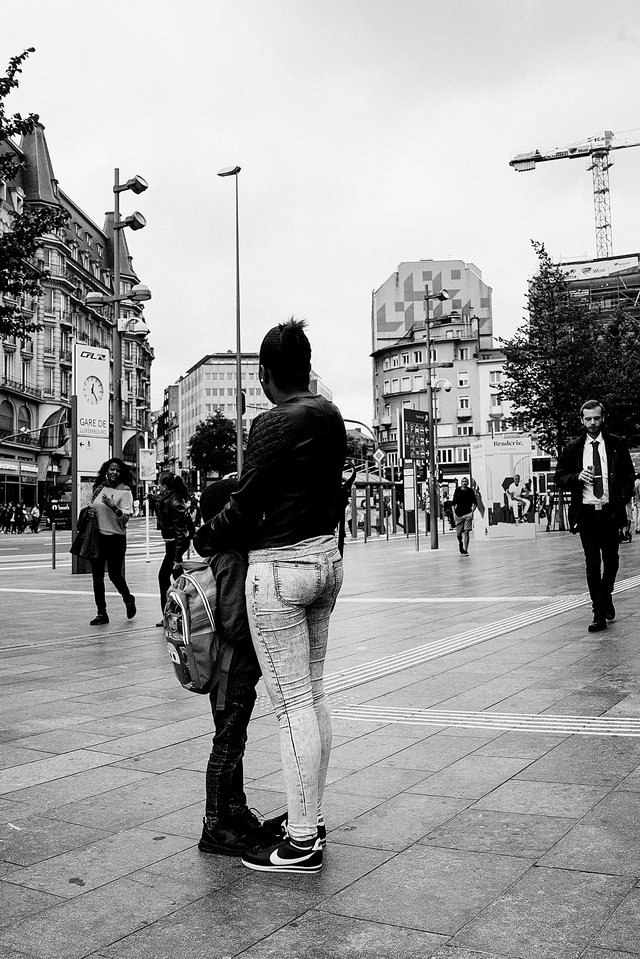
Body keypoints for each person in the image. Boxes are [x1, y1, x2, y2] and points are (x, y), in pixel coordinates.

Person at [195, 318, 346, 875]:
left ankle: (302, 840)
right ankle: (311, 815)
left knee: (290, 706)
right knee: (313, 696)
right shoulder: (330, 417)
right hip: (325, 562)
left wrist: (204, 536)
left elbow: (245, 505)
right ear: (306, 367)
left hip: (281, 569)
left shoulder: (272, 422)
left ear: (264, 374)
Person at [195, 479, 269, 857]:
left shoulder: (225, 552)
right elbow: (235, 623)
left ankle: (235, 812)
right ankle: (215, 825)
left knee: (233, 742)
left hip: (230, 669)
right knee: (226, 745)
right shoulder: (234, 558)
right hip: (233, 671)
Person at [555, 399, 634, 633]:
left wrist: (620, 501)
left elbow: (628, 478)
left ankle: (606, 594)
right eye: (588, 419)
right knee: (592, 563)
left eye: (596, 418)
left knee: (612, 560)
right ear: (582, 420)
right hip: (587, 513)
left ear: (603, 418)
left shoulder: (616, 445)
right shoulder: (573, 448)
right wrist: (577, 477)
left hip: (610, 510)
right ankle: (598, 611)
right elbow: (559, 477)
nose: (592, 423)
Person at [88, 458, 137, 626]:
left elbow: (125, 519)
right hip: (98, 538)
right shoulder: (99, 488)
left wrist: (113, 507)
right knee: (97, 577)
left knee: (115, 575)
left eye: (117, 470)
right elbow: (92, 507)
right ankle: (102, 613)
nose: (114, 472)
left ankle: (128, 598)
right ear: (106, 471)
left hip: (116, 538)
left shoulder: (125, 491)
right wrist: (90, 513)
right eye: (111, 470)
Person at [156, 470, 192, 627]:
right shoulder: (168, 499)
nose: (158, 486)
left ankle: (169, 614)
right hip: (172, 543)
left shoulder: (175, 502)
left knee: (163, 577)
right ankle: (183, 610)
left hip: (175, 545)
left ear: (164, 486)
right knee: (178, 579)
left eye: (159, 483)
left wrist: (177, 558)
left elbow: (181, 532)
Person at [452, 477, 477, 555]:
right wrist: (454, 514)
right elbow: (453, 504)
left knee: (466, 532)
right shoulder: (458, 491)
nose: (464, 483)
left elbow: (475, 503)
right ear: (461, 483)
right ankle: (460, 543)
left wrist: (472, 512)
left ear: (468, 482)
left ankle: (466, 549)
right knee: (458, 534)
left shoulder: (470, 491)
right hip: (458, 514)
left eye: (466, 481)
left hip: (468, 514)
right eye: (463, 481)